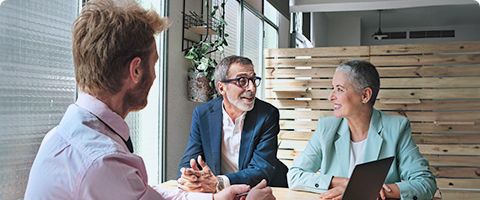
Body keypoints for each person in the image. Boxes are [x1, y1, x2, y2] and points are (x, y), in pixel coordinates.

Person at [24, 0, 273, 199]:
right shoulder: (102, 163)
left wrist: (216, 197)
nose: (155, 76)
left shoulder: (63, 137)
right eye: (154, 64)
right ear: (135, 71)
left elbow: (142, 193)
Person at [287, 60, 437, 200]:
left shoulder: (397, 128)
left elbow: (425, 183)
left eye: (339, 89)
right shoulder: (326, 128)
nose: (331, 97)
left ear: (365, 95)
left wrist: (375, 191)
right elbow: (294, 176)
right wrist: (344, 183)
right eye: (333, 88)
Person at [177, 55, 288, 193]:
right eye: (242, 81)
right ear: (221, 88)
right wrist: (188, 177)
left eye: (253, 79)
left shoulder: (267, 114)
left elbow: (261, 168)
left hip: (265, 189)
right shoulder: (202, 114)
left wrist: (220, 182)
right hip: (221, 192)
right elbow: (191, 158)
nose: (252, 88)